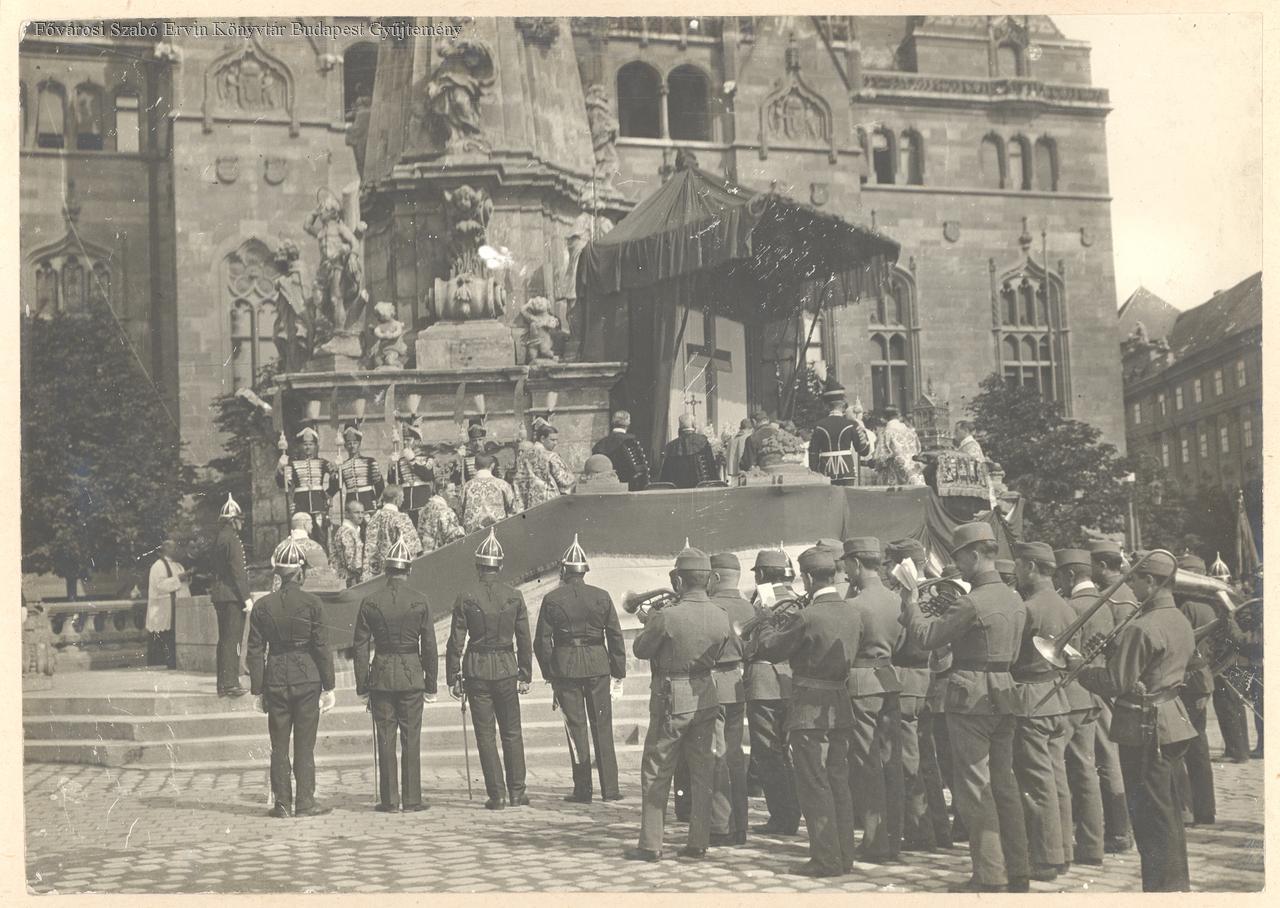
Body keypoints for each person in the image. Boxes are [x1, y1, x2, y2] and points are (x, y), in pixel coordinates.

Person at [900, 522, 1029, 892]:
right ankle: (1018, 870)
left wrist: (912, 604)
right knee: (1004, 784)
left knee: (974, 788)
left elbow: (927, 637)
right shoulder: (1014, 599)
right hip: (1004, 693)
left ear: (974, 555)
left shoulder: (972, 601)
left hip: (971, 697)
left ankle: (989, 875)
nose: (958, 565)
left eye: (959, 558)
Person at [1067, 550, 1196, 892]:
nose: (1131, 587)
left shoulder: (1143, 626)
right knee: (1167, 812)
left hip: (1145, 728)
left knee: (1150, 818)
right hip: (1171, 722)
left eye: (1135, 580)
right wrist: (1116, 654)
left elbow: (1114, 682)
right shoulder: (1178, 618)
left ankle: (1161, 889)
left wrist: (1078, 667)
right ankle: (1175, 885)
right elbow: (1155, 667)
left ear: (1150, 581)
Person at [755, 548, 860, 877]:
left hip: (809, 706)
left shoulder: (808, 616)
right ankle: (844, 855)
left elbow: (771, 649)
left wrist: (766, 622)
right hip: (840, 703)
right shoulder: (853, 612)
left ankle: (825, 859)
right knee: (838, 782)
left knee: (814, 784)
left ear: (810, 577)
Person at [626, 546, 734, 862]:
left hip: (672, 696)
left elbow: (641, 650)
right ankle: (698, 841)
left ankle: (651, 844)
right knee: (702, 773)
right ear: (708, 580)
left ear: (678, 580)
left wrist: (651, 623)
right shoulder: (721, 615)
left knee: (657, 770)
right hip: (706, 694)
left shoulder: (667, 616)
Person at [246, 536, 337, 818]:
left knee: (279, 745)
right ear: (299, 572)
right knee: (305, 745)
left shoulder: (263, 606)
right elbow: (322, 647)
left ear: (279, 573)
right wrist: (329, 686)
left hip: (275, 677)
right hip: (307, 677)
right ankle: (305, 802)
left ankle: (282, 803)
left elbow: (255, 650)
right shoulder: (312, 603)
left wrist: (257, 689)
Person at [533, 534, 626, 803]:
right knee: (602, 727)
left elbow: (542, 642)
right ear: (584, 570)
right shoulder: (602, 596)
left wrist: (550, 672)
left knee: (576, 729)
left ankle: (583, 789)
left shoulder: (552, 598)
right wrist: (618, 672)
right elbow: (615, 636)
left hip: (566, 669)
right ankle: (610, 789)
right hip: (598, 665)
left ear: (564, 571)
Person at [446, 529, 532, 810]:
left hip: (477, 670)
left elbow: (456, 641)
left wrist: (453, 676)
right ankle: (517, 792)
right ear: (500, 566)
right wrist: (525, 674)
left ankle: (497, 795)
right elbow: (524, 639)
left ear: (478, 567)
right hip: (507, 669)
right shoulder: (514, 596)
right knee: (512, 732)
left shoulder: (466, 596)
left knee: (485, 735)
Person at [353, 534, 436, 813]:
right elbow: (429, 646)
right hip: (412, 674)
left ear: (386, 571)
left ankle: (389, 800)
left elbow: (360, 646)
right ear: (408, 570)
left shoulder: (370, 601)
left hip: (381, 675)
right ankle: (412, 799)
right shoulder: (420, 600)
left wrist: (362, 684)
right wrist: (431, 684)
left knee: (386, 737)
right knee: (411, 737)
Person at [1010, 542, 1077, 882]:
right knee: (1057, 779)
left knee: (1037, 784)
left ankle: (1046, 858)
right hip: (1057, 698)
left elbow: (1012, 656)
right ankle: (1063, 852)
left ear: (1031, 567)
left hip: (1032, 700)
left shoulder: (1028, 608)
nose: (1016, 572)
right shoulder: (1066, 606)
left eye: (1019, 566)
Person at [841, 536, 904, 863]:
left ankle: (874, 841)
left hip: (861, 683)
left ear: (854, 563)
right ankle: (893, 840)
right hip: (889, 678)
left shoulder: (854, 605)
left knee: (867, 765)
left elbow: (844, 651)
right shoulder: (897, 599)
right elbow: (903, 643)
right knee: (891, 763)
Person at [884, 538, 949, 851]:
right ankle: (939, 827)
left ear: (901, 566)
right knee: (926, 760)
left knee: (908, 761)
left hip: (907, 681)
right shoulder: (936, 593)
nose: (886, 570)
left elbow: (908, 644)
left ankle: (920, 832)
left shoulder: (910, 597)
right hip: (928, 681)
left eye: (889, 564)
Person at [1055, 547, 1112, 867]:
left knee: (1058, 770)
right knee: (1087, 771)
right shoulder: (1105, 604)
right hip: (1093, 695)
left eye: (1060, 576)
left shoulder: (1070, 606)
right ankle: (1092, 845)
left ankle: (1060, 846)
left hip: (1070, 696)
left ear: (1070, 575)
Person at [744, 549, 801, 836]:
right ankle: (791, 812)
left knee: (768, 753)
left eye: (757, 573)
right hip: (790, 681)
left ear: (763, 574)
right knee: (785, 751)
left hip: (765, 681)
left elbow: (755, 643)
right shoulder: (796, 598)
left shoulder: (764, 599)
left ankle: (782, 816)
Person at [1087, 539, 1136, 852]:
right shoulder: (1125, 593)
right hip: (1116, 682)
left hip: (1107, 684)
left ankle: (1118, 831)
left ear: (1103, 566)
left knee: (1107, 756)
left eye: (1093, 565)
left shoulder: (1114, 598)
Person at [704, 552, 754, 845]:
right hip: (737, 682)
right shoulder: (749, 607)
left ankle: (720, 826)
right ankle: (740, 825)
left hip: (712, 683)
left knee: (715, 755)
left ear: (716, 576)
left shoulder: (710, 606)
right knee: (734, 756)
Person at [1170, 553, 1218, 826]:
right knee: (1198, 746)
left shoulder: (1187, 606)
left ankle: (1188, 809)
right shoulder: (1208, 605)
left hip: (1190, 681)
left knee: (1185, 746)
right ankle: (1205, 809)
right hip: (1202, 679)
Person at [209, 494, 252, 698]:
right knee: (232, 640)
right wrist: (246, 597)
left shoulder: (219, 538)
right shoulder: (232, 539)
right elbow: (237, 572)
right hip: (232, 595)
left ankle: (223, 684)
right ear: (233, 520)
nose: (242, 523)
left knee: (224, 640)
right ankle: (230, 684)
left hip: (220, 594)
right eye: (239, 519)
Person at [275, 425, 338, 550]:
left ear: (315, 446)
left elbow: (336, 481)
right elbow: (284, 484)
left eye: (311, 444)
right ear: (299, 446)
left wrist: (328, 494)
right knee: (301, 536)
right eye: (305, 444)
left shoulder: (323, 463)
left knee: (321, 537)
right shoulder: (292, 464)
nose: (308, 447)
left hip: (319, 504)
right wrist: (280, 468)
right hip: (300, 504)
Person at [808, 382, 870, 481]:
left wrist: (815, 471)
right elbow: (864, 451)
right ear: (843, 405)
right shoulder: (852, 424)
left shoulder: (818, 426)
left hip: (825, 472)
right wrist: (863, 431)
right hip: (847, 472)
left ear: (827, 405)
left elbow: (813, 453)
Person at [363, 485, 423, 582]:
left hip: (375, 574)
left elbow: (369, 548)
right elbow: (411, 548)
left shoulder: (374, 518)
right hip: (396, 573)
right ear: (396, 499)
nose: (403, 500)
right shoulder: (401, 518)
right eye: (402, 497)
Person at [146, 538, 189, 668]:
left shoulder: (178, 565)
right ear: (166, 549)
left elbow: (183, 586)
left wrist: (187, 577)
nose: (177, 550)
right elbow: (159, 586)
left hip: (178, 607)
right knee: (165, 637)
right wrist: (178, 578)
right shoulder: (158, 566)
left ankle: (175, 663)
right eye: (174, 548)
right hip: (163, 609)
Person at [515, 417, 575, 509]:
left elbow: (517, 481)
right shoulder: (551, 456)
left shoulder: (522, 457)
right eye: (552, 440)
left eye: (556, 440)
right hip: (549, 504)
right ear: (542, 439)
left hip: (527, 505)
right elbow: (565, 481)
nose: (555, 443)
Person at [387, 421, 434, 527]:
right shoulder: (400, 460)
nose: (405, 442)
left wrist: (413, 461)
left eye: (408, 440)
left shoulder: (427, 457)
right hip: (406, 501)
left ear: (418, 441)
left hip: (422, 499)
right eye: (404, 440)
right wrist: (392, 466)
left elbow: (428, 476)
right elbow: (392, 482)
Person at [591, 410, 651, 491]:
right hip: (629, 489)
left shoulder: (599, 444)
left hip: (605, 489)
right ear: (627, 423)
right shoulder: (629, 442)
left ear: (613, 423)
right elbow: (637, 470)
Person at [461, 453, 519, 533]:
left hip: (472, 534)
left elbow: (461, 510)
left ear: (475, 466)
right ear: (493, 465)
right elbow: (513, 509)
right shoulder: (503, 485)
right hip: (497, 531)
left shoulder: (466, 486)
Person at [658, 413, 719, 488]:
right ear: (694, 426)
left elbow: (665, 477)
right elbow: (711, 468)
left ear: (680, 427)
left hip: (678, 489)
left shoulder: (672, 446)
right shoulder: (703, 442)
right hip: (701, 488)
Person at [337, 422, 385, 510]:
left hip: (367, 499)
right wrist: (337, 469)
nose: (352, 446)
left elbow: (379, 483)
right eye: (349, 443)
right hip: (351, 501)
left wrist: (380, 501)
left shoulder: (369, 461)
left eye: (355, 443)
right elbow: (336, 486)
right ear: (345, 446)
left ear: (359, 444)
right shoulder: (342, 465)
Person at [879, 407, 925, 486]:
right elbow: (918, 449)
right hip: (914, 470)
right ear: (898, 416)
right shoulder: (911, 432)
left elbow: (881, 456)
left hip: (896, 471)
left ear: (884, 418)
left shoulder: (886, 432)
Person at [417, 482, 466, 553]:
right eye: (451, 491)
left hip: (425, 552)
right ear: (440, 492)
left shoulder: (425, 507)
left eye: (455, 491)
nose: (454, 494)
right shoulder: (446, 511)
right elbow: (453, 537)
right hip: (440, 553)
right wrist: (461, 529)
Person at [331, 500, 366, 588]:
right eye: (357, 512)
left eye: (362, 512)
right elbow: (351, 562)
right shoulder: (347, 532)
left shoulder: (353, 530)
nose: (361, 516)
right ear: (347, 514)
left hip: (348, 578)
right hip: (345, 580)